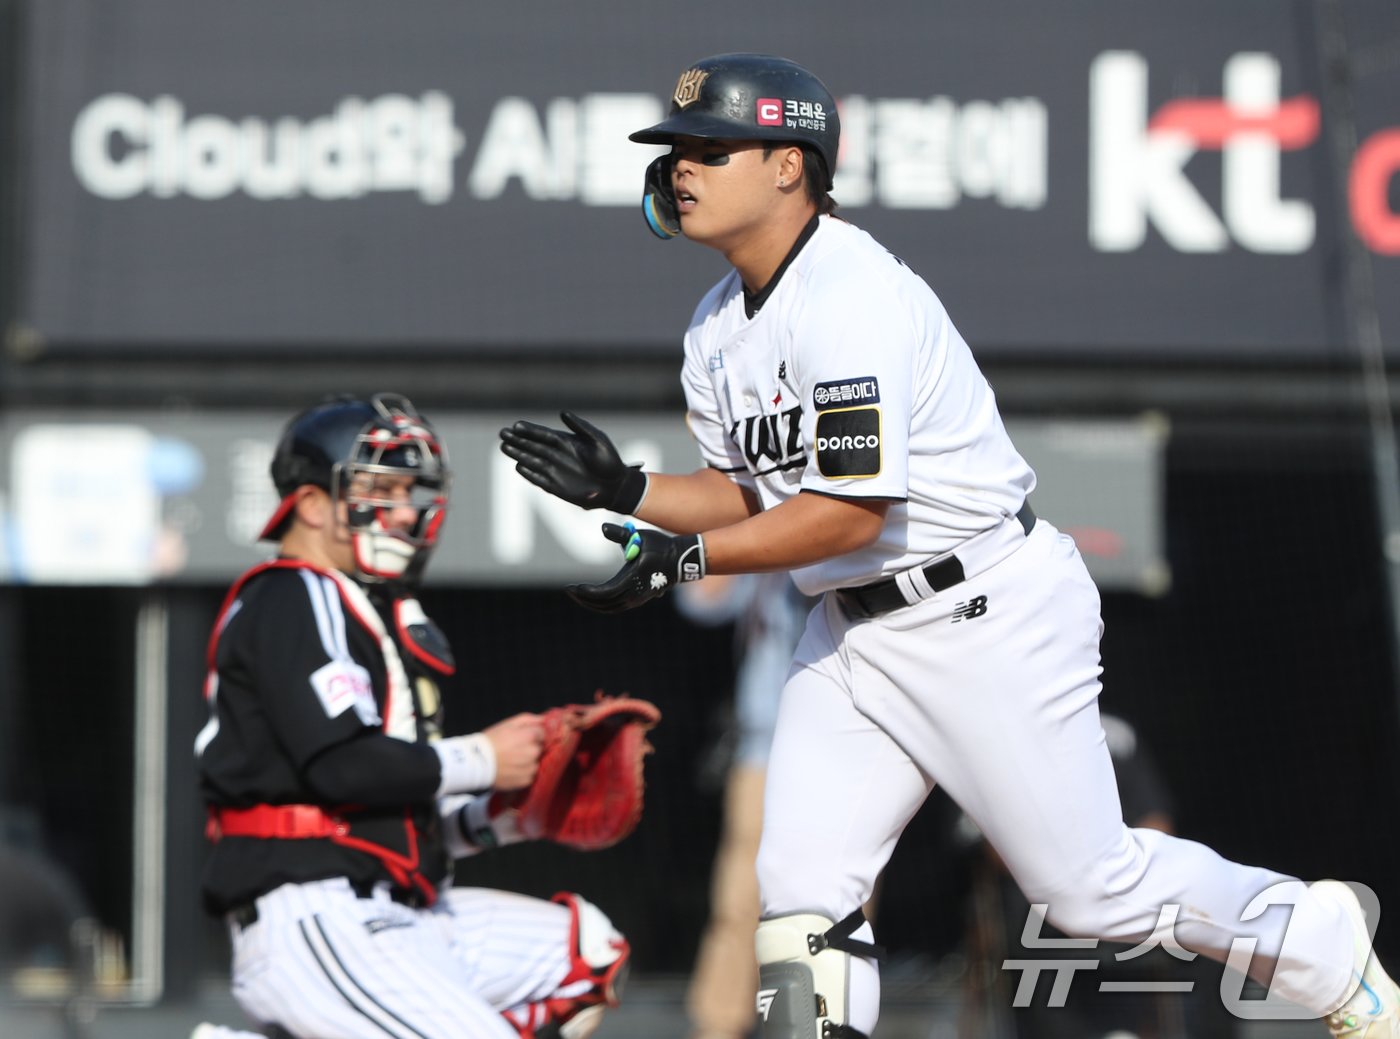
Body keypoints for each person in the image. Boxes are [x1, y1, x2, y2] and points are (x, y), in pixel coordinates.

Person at [498, 52, 1400, 1039]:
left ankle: (1316, 939)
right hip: (851, 634)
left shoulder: (849, 292)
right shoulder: (714, 325)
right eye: (677, 150)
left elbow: (850, 514)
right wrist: (629, 491)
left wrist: (689, 558)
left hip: (980, 610)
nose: (682, 167)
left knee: (1090, 889)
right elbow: (751, 488)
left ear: (790, 164)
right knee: (800, 890)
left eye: (712, 148)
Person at [194, 393, 629, 1039]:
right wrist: (483, 758)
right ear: (311, 503)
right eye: (381, 489)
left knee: (586, 956)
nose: (403, 510)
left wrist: (497, 816)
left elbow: (380, 816)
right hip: (315, 912)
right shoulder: (295, 593)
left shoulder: (365, 607)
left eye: (408, 491)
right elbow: (342, 769)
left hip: (402, 908)